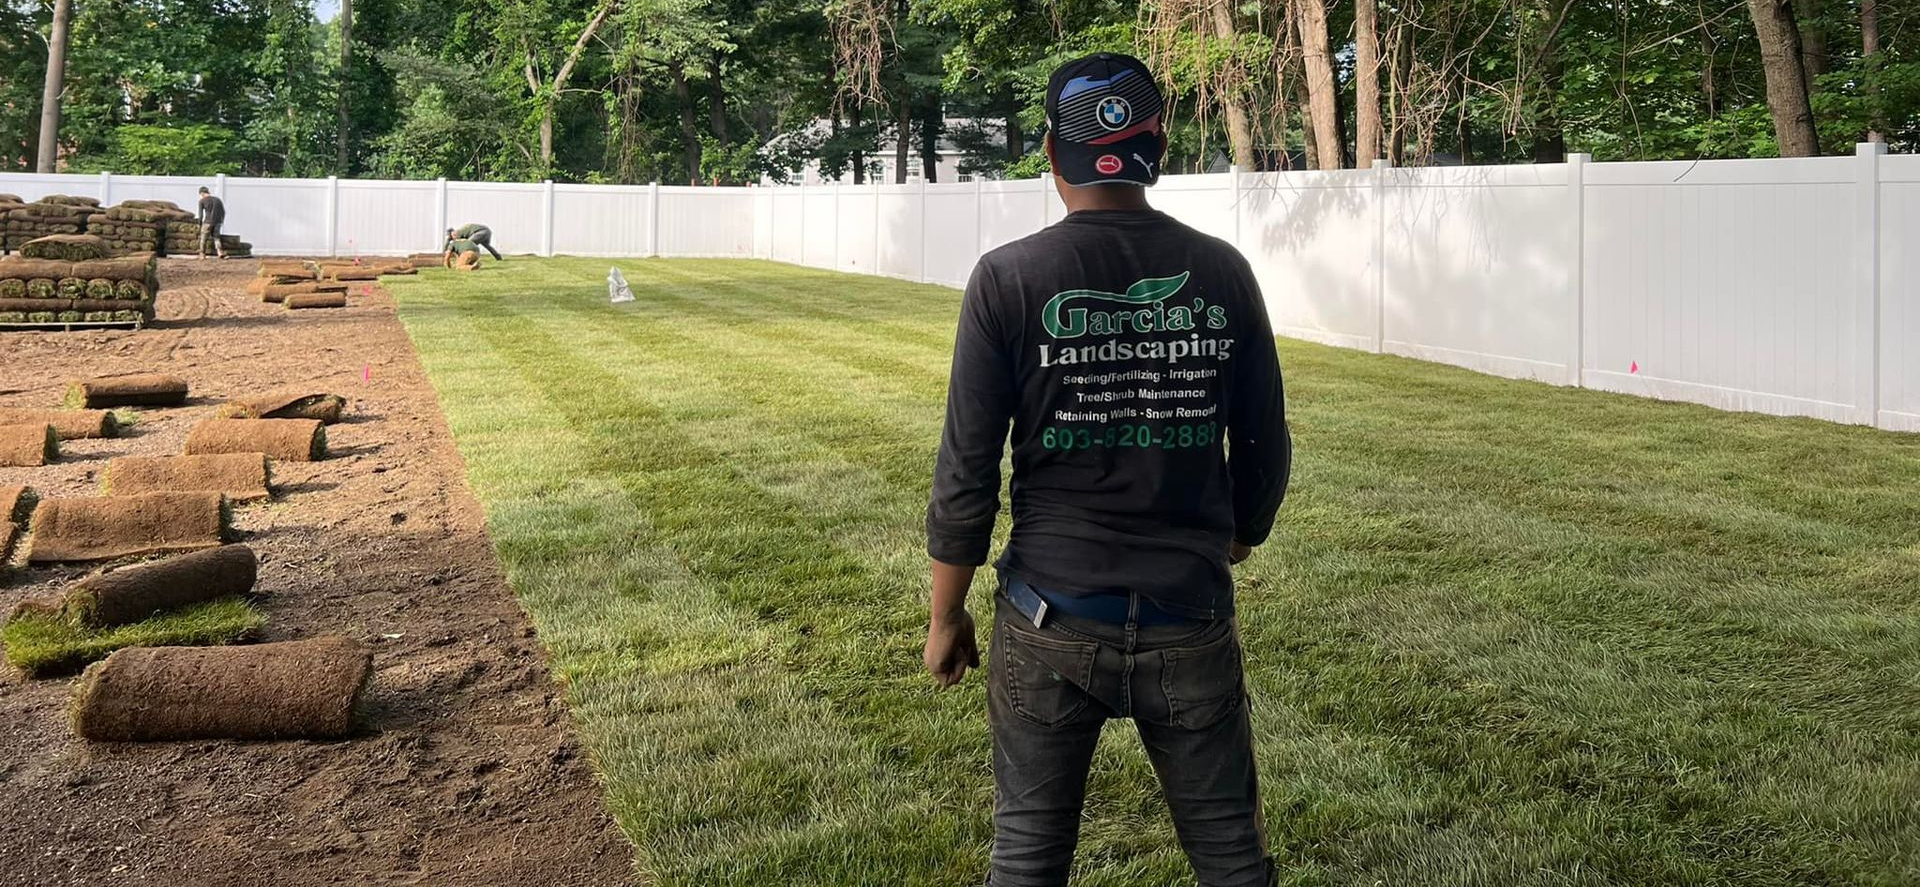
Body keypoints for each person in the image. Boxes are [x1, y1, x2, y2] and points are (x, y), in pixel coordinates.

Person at [922, 52, 1291, 887]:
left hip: (1049, 616)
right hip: (1188, 612)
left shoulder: (1007, 279)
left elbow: (967, 473)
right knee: (1232, 858)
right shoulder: (1225, 272)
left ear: (1053, 154)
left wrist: (946, 615)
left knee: (1026, 854)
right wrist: (1234, 540)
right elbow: (1264, 447)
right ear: (1158, 148)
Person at [196, 186, 226, 259]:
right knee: (216, 238)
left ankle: (202, 254)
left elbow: (200, 214)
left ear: (202, 193)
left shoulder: (202, 201)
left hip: (207, 221)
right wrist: (221, 221)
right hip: (217, 221)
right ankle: (219, 252)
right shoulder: (218, 200)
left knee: (203, 238)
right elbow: (223, 212)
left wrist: (199, 223)